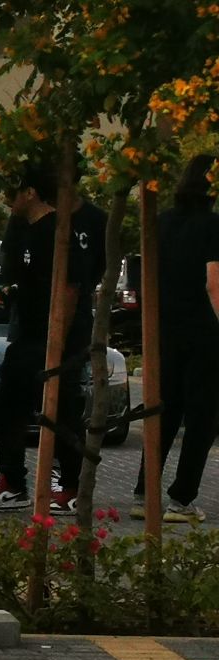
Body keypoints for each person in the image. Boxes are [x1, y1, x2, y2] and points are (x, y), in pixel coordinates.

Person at [0, 167, 92, 512]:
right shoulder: (23, 231)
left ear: (29, 192)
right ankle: (12, 481)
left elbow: (71, 287)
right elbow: (31, 280)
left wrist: (58, 339)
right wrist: (11, 293)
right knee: (10, 403)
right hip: (27, 333)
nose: (6, 200)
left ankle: (72, 487)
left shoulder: (59, 231)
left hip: (61, 338)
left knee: (63, 411)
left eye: (12, 192)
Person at [134, 154, 219, 523]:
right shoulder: (214, 226)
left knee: (161, 411)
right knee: (202, 417)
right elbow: (213, 282)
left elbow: (144, 279)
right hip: (204, 333)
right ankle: (181, 499)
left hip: (163, 331)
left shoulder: (160, 223)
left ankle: (142, 492)